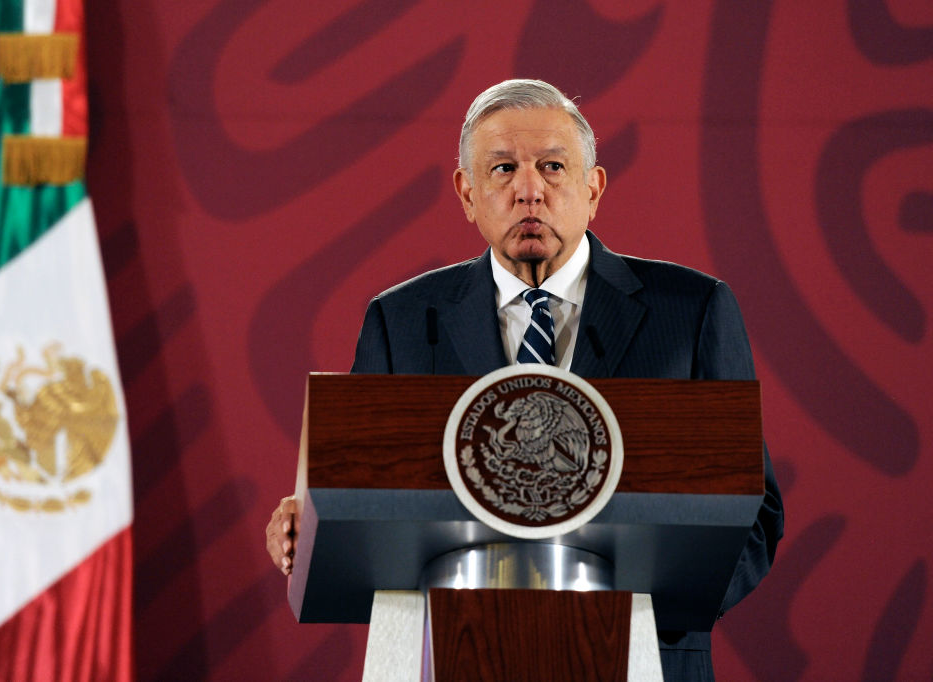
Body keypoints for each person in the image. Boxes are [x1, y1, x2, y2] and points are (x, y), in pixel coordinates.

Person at [265, 78, 783, 681]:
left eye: (553, 167)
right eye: (504, 168)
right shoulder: (401, 321)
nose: (529, 190)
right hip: (448, 656)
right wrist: (309, 522)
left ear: (593, 188)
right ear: (467, 193)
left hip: (642, 657)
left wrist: (642, 611)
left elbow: (754, 513)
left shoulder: (691, 311)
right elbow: (360, 496)